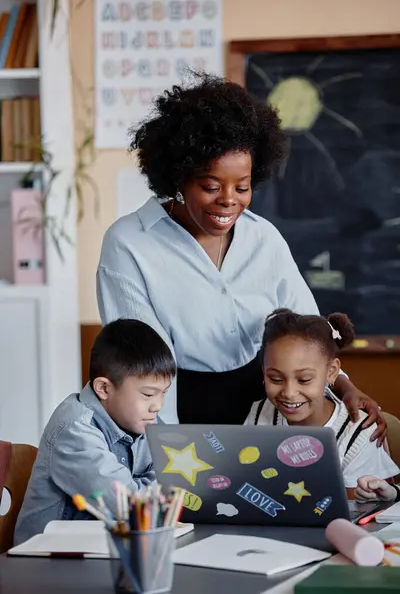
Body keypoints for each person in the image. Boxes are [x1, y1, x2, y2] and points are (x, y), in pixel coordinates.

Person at [97, 72, 385, 439]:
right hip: (179, 406)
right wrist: (164, 448)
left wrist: (342, 384)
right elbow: (143, 364)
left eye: (243, 187)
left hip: (266, 406)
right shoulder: (129, 244)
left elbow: (308, 329)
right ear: (177, 177)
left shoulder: (263, 237)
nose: (229, 200)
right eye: (210, 186)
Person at [15, 319, 175, 544]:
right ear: (104, 388)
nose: (157, 405)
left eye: (164, 393)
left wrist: (166, 485)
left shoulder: (145, 419)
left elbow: (177, 483)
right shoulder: (75, 429)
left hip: (105, 548)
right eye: (148, 394)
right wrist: (162, 486)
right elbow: (131, 507)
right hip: (48, 558)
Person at [245, 309, 398, 496]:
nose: (289, 393)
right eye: (276, 379)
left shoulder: (358, 434)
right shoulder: (259, 414)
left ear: (332, 371)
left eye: (304, 380)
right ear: (263, 371)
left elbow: (355, 510)